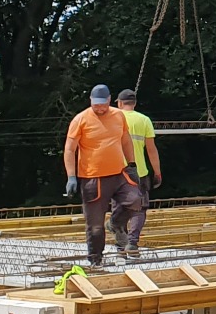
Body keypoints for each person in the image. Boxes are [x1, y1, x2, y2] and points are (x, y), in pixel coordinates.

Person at [64, 84, 140, 266]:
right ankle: (95, 260)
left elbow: (125, 140)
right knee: (95, 226)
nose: (99, 108)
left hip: (118, 174)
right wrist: (71, 176)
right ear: (90, 101)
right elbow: (69, 149)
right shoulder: (80, 119)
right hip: (93, 178)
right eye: (95, 104)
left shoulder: (118, 116)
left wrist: (132, 164)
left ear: (109, 100)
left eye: (102, 104)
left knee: (135, 200)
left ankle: (115, 223)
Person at [114, 88, 160, 255]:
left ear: (120, 103)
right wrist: (157, 172)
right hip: (139, 172)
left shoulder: (113, 118)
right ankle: (132, 244)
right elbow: (151, 150)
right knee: (139, 209)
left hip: (116, 171)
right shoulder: (144, 120)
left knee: (119, 208)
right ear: (134, 103)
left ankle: (121, 246)